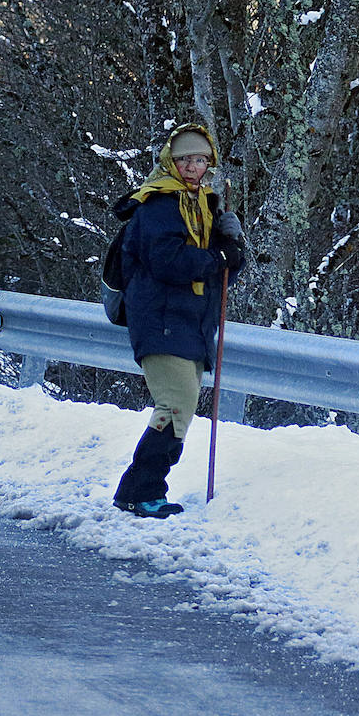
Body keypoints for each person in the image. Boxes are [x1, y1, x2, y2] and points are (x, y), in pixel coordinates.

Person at [111, 123, 245, 518]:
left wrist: (230, 246)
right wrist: (218, 258)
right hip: (160, 318)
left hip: (192, 322)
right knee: (174, 407)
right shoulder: (158, 204)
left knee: (179, 409)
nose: (193, 167)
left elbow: (219, 274)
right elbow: (167, 261)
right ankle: (143, 490)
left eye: (201, 160)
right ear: (172, 161)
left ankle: (135, 491)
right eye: (186, 159)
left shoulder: (205, 205)